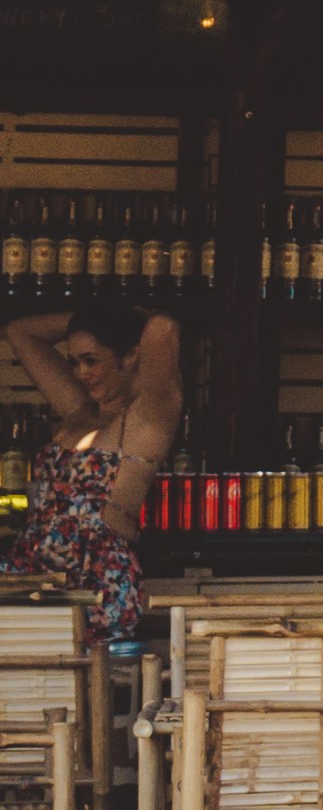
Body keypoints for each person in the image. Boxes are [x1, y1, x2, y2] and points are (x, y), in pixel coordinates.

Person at [6, 282, 183, 658]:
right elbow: (19, 332)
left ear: (131, 355)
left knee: (91, 698)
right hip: (34, 574)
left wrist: (119, 315)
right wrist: (90, 320)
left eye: (92, 359)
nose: (81, 372)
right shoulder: (78, 408)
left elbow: (162, 330)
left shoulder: (148, 420)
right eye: (74, 361)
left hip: (96, 580)